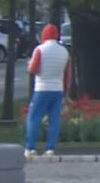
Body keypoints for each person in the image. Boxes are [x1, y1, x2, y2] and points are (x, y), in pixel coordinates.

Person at [24, 24, 70, 158]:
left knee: (34, 118)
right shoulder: (64, 52)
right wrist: (66, 93)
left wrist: (29, 64)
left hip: (42, 88)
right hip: (57, 89)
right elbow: (67, 74)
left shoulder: (39, 50)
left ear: (44, 35)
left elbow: (33, 69)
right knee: (54, 120)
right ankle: (50, 149)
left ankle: (30, 148)